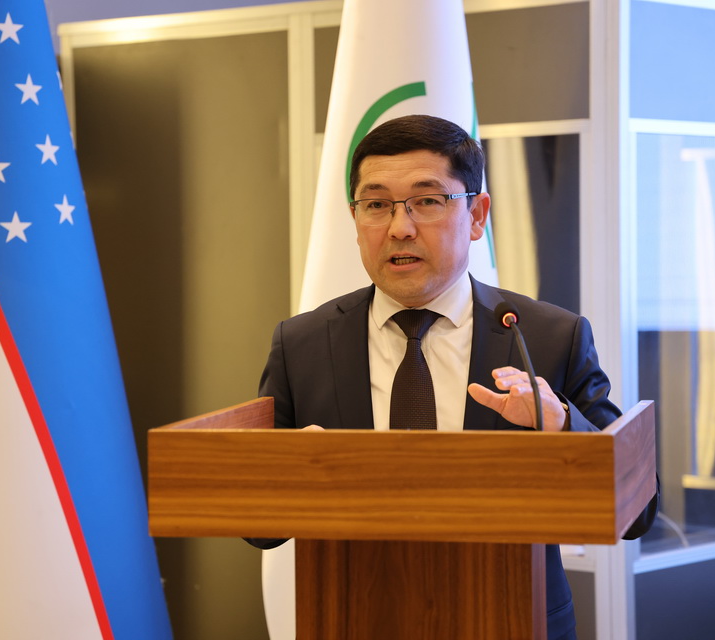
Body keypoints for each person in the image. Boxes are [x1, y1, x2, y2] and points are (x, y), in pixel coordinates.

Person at [250, 114, 658, 639]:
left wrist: (560, 424)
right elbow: (259, 530)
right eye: (376, 205)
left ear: (477, 214)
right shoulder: (303, 343)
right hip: (354, 620)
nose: (399, 228)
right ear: (355, 219)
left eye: (427, 201)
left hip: (512, 622)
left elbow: (639, 512)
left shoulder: (547, 336)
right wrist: (290, 478)